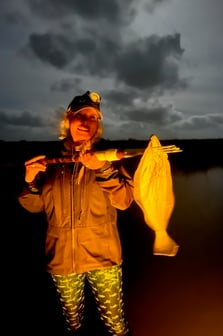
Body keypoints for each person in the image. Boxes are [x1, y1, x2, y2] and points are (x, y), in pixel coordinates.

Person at [18, 91, 134, 335]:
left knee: (116, 324)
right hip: (61, 259)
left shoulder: (112, 159)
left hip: (104, 257)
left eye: (93, 117)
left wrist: (102, 168)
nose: (86, 122)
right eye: (80, 115)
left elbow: (124, 201)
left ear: (98, 125)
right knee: (73, 323)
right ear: (68, 120)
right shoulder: (49, 161)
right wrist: (29, 182)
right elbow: (33, 206)